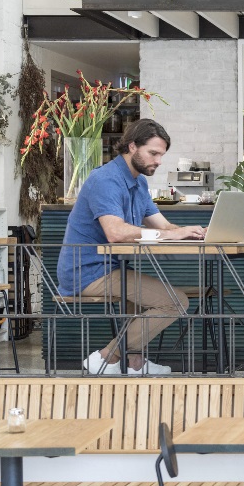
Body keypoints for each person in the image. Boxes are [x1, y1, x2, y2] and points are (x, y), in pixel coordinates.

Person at [58, 119, 207, 375]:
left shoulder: (138, 182)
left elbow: (162, 224)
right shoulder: (105, 180)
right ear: (132, 146)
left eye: (161, 155)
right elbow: (115, 232)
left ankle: (133, 364)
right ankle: (106, 357)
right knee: (175, 302)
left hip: (114, 267)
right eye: (154, 153)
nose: (159, 161)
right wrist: (172, 235)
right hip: (87, 271)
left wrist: (190, 232)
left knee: (139, 294)